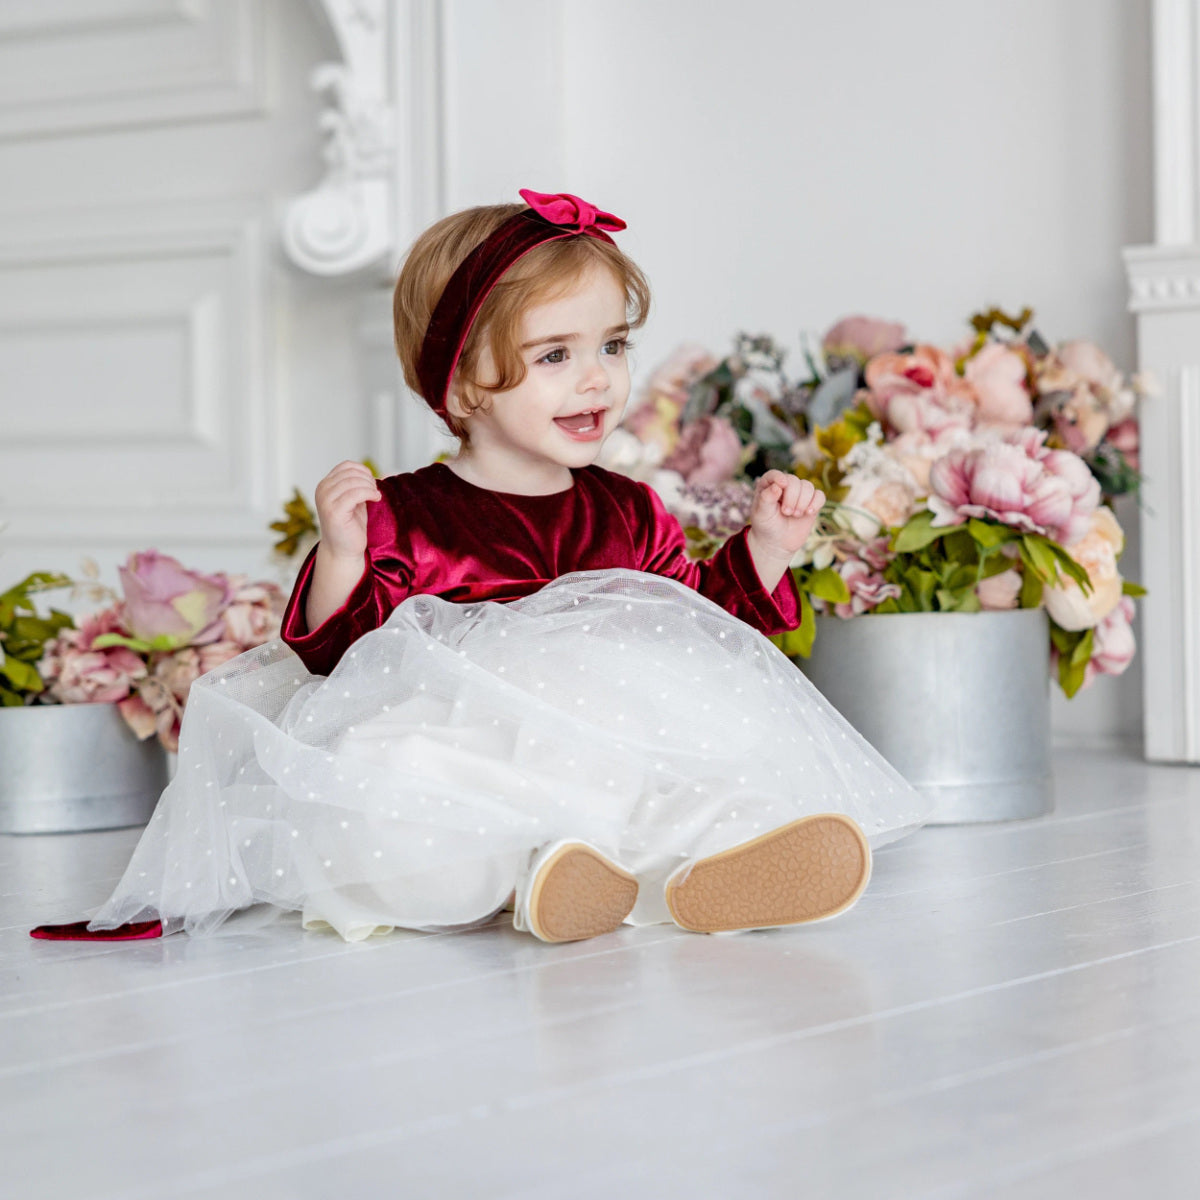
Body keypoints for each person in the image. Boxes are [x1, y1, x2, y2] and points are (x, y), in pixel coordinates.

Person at [32, 189, 928, 946]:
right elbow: (338, 663)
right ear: (461, 388)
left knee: (694, 763)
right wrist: (343, 554)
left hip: (608, 749)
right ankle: (530, 877)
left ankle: (715, 864)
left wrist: (763, 550)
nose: (597, 381)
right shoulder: (411, 516)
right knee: (401, 785)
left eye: (612, 346)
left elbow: (693, 623)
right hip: (474, 751)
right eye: (555, 357)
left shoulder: (629, 509)